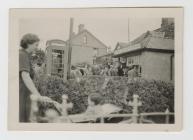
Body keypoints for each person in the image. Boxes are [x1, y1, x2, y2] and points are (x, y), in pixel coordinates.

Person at [19, 33, 52, 122]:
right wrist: (39, 96)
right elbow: (25, 76)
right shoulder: (22, 54)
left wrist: (39, 96)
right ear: (29, 43)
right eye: (36, 45)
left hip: (26, 94)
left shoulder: (24, 55)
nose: (37, 47)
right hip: (23, 94)